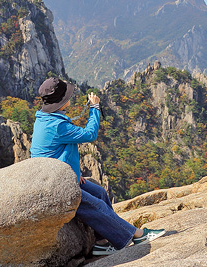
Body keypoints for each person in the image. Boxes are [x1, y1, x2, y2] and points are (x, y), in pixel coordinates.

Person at [30, 77, 165, 256]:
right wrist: (94, 108)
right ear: (61, 101)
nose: (71, 97)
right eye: (68, 95)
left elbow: (54, 153)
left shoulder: (45, 118)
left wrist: (73, 172)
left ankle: (102, 243)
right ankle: (135, 235)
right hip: (55, 186)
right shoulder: (57, 125)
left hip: (57, 176)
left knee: (99, 192)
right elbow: (90, 134)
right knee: (96, 205)